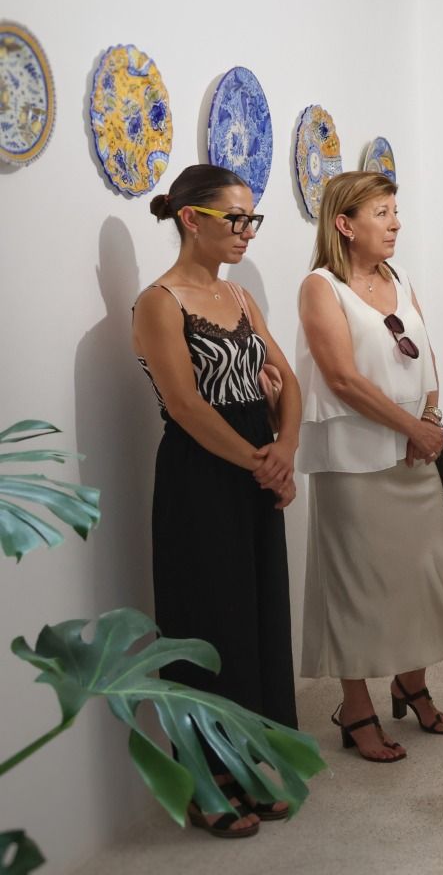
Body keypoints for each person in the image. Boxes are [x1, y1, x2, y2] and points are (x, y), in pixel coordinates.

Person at [132, 164, 300, 837]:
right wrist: (263, 460)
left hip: (258, 467)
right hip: (200, 478)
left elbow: (286, 379)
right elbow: (184, 405)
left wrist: (284, 446)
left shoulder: (240, 298)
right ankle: (205, 783)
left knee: (257, 618)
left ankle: (250, 763)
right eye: (234, 218)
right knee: (208, 623)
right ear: (189, 218)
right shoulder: (159, 300)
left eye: (251, 219)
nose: (245, 232)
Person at [296, 171, 443, 763]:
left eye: (395, 211)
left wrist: (430, 421)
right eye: (382, 212)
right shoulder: (320, 287)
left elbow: (427, 354)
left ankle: (412, 682)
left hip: (413, 450)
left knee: (421, 575)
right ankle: (355, 709)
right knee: (358, 586)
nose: (396, 222)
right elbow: (343, 378)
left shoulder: (396, 279)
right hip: (355, 462)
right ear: (345, 225)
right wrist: (412, 431)